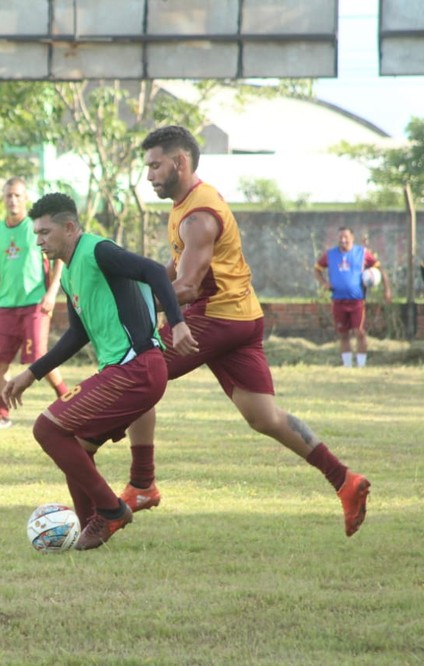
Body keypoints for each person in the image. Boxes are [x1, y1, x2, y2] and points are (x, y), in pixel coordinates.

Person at [122, 125, 370, 537]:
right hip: (241, 316)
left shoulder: (198, 216)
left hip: (215, 317)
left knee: (135, 368)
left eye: (154, 165)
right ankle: (344, 480)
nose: (148, 175)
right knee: (264, 416)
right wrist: (146, 281)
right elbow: (176, 273)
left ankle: (141, 483)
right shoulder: (189, 204)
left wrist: (133, 308)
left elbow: (184, 286)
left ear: (179, 162)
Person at [3, 193, 198, 550]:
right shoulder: (68, 276)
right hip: (123, 371)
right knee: (76, 446)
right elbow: (77, 335)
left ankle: (110, 510)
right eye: (36, 234)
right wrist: (31, 373)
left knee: (47, 428)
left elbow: (154, 271)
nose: (39, 240)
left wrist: (178, 322)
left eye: (45, 232)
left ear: (70, 227)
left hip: (137, 367)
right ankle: (87, 525)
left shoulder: (97, 251)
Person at [0, 177, 68, 429]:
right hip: (6, 306)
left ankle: (67, 402)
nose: (13, 200)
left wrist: (52, 292)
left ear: (25, 198)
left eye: (18, 196)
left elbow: (58, 259)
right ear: (3, 198)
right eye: (8, 195)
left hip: (35, 303)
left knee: (39, 358)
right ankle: (1, 414)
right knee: (0, 362)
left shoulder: (36, 226)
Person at [314, 227, 392, 367]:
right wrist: (324, 283)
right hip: (338, 299)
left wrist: (387, 290)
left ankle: (361, 365)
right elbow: (317, 269)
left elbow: (380, 270)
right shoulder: (330, 254)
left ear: (352, 238)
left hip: (357, 300)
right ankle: (347, 365)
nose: (343, 240)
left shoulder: (362, 253)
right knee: (343, 333)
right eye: (340, 237)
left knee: (359, 332)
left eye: (346, 237)